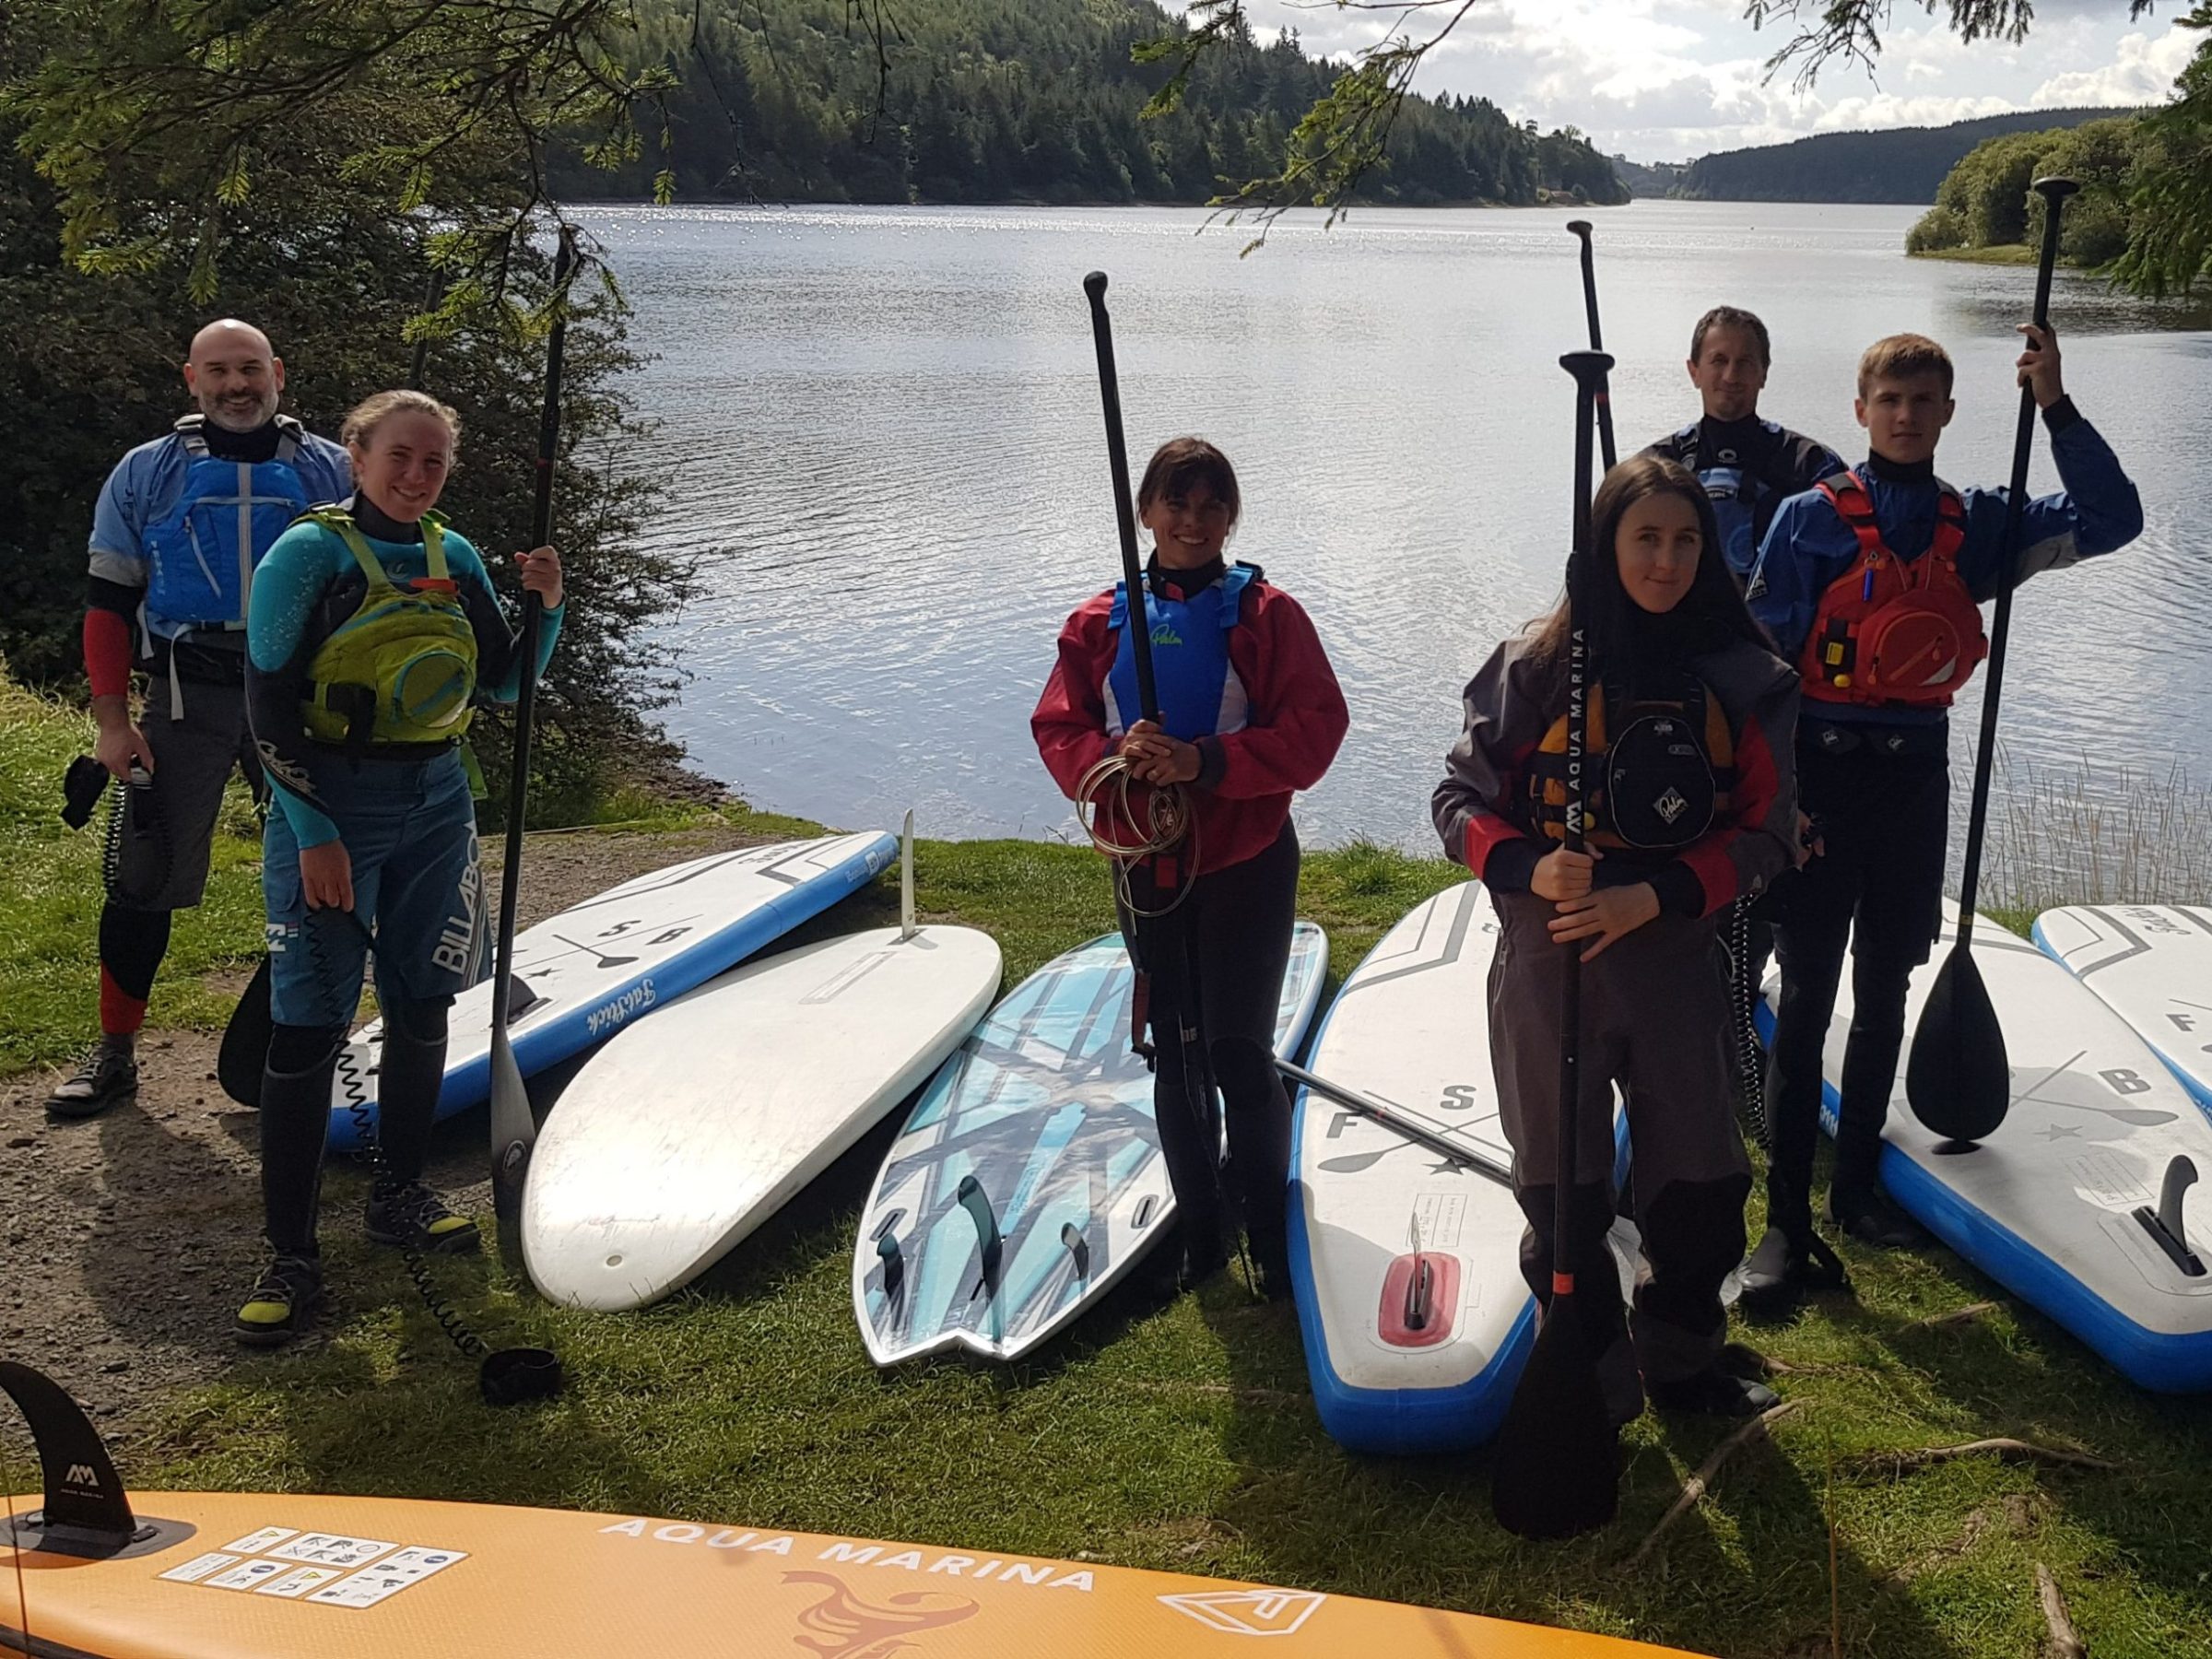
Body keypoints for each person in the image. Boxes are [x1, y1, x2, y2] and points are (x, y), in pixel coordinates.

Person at [1739, 328, 2144, 1316]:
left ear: (1949, 415)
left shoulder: (1982, 525)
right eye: (1891, 399)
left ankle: (1859, 1195)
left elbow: (2112, 517)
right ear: (1863, 408)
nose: (1907, 416)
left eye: (1925, 401)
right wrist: (1773, 812)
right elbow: (1758, 676)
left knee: (1884, 996)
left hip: (1913, 786)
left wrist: (2053, 402)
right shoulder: (1807, 521)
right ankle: (1783, 1223)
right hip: (1821, 789)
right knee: (1805, 1005)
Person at [1434, 455, 1800, 1418]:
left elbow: (1769, 836)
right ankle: (1589, 1378)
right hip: (1549, 969)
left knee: (1700, 1193)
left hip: (1676, 964)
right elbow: (1457, 800)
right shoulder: (1536, 670)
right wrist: (1524, 865)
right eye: (1645, 538)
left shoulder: (1743, 679)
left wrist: (1660, 894)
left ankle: (1680, 1363)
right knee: (1565, 1205)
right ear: (1605, 547)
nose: (1668, 560)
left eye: (1687, 541)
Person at [234, 389, 565, 1346]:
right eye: (401, 458)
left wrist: (547, 605)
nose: (416, 477)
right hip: (328, 805)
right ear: (358, 454)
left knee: (425, 1002)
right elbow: (267, 708)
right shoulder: (307, 556)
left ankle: (401, 1197)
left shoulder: (451, 556)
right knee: (309, 1023)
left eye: (433, 463)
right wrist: (315, 833)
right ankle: (290, 1254)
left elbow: (506, 683)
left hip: (437, 800)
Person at [1032, 438, 1347, 1299]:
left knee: (1240, 1053)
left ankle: (1266, 1226)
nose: (1193, 521)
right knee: (1175, 1052)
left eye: (1212, 506)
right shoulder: (1098, 622)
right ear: (1146, 512)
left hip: (1245, 862)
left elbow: (1315, 731)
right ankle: (1200, 1232)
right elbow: (1060, 730)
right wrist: (1115, 756)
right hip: (1149, 869)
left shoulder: (1267, 616)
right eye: (1177, 503)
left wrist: (1205, 762)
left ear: (1231, 517)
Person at [47, 320, 352, 1119]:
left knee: (333, 870)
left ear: (278, 372)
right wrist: (113, 722)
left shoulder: (330, 468)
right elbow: (108, 605)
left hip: (302, 694)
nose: (236, 385)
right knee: (142, 877)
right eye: (219, 371)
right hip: (189, 694)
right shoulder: (146, 474)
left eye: (250, 368)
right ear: (192, 378)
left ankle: (306, 1048)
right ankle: (115, 1055)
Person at [1642, 306, 1848, 582]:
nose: (1730, 375)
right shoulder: (1657, 464)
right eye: (1719, 360)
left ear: (1763, 374)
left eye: (1745, 362)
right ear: (1694, 371)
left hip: (1776, 621)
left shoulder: (1810, 464)